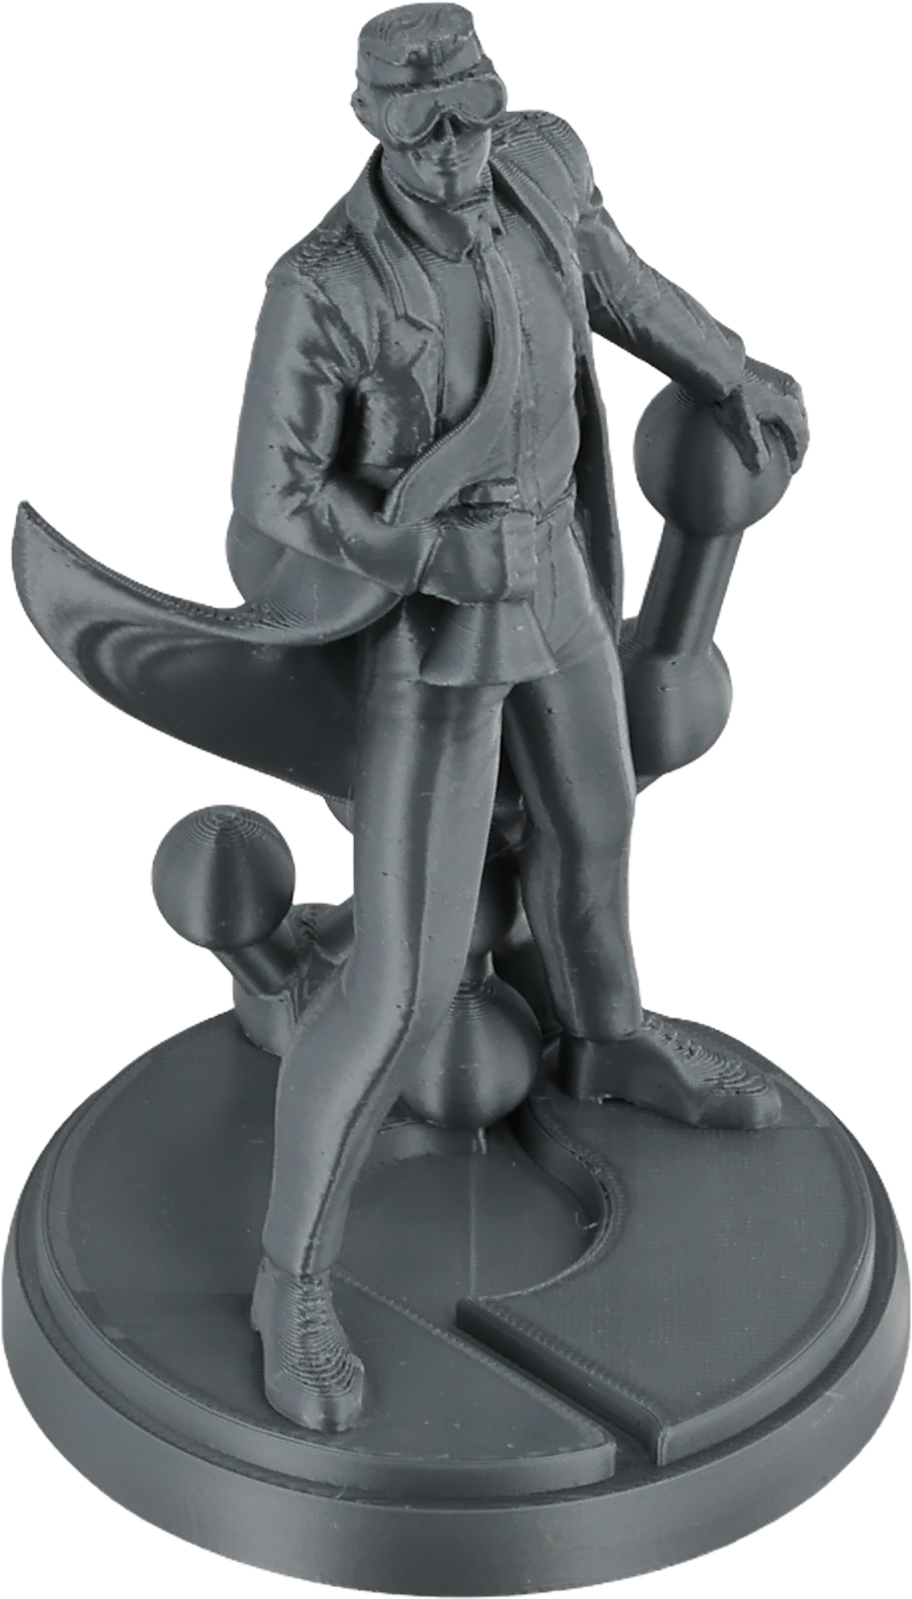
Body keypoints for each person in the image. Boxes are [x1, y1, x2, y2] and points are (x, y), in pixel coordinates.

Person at [232, 2, 810, 1432]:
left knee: (596, 825)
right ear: (371, 122)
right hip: (433, 630)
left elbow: (621, 286)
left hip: (551, 569)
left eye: (473, 114)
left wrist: (729, 366)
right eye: (423, 128)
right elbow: (275, 493)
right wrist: (428, 556)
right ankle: (289, 1279)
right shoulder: (324, 283)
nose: (455, 151)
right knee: (408, 982)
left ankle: (606, 1036)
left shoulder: (541, 166)